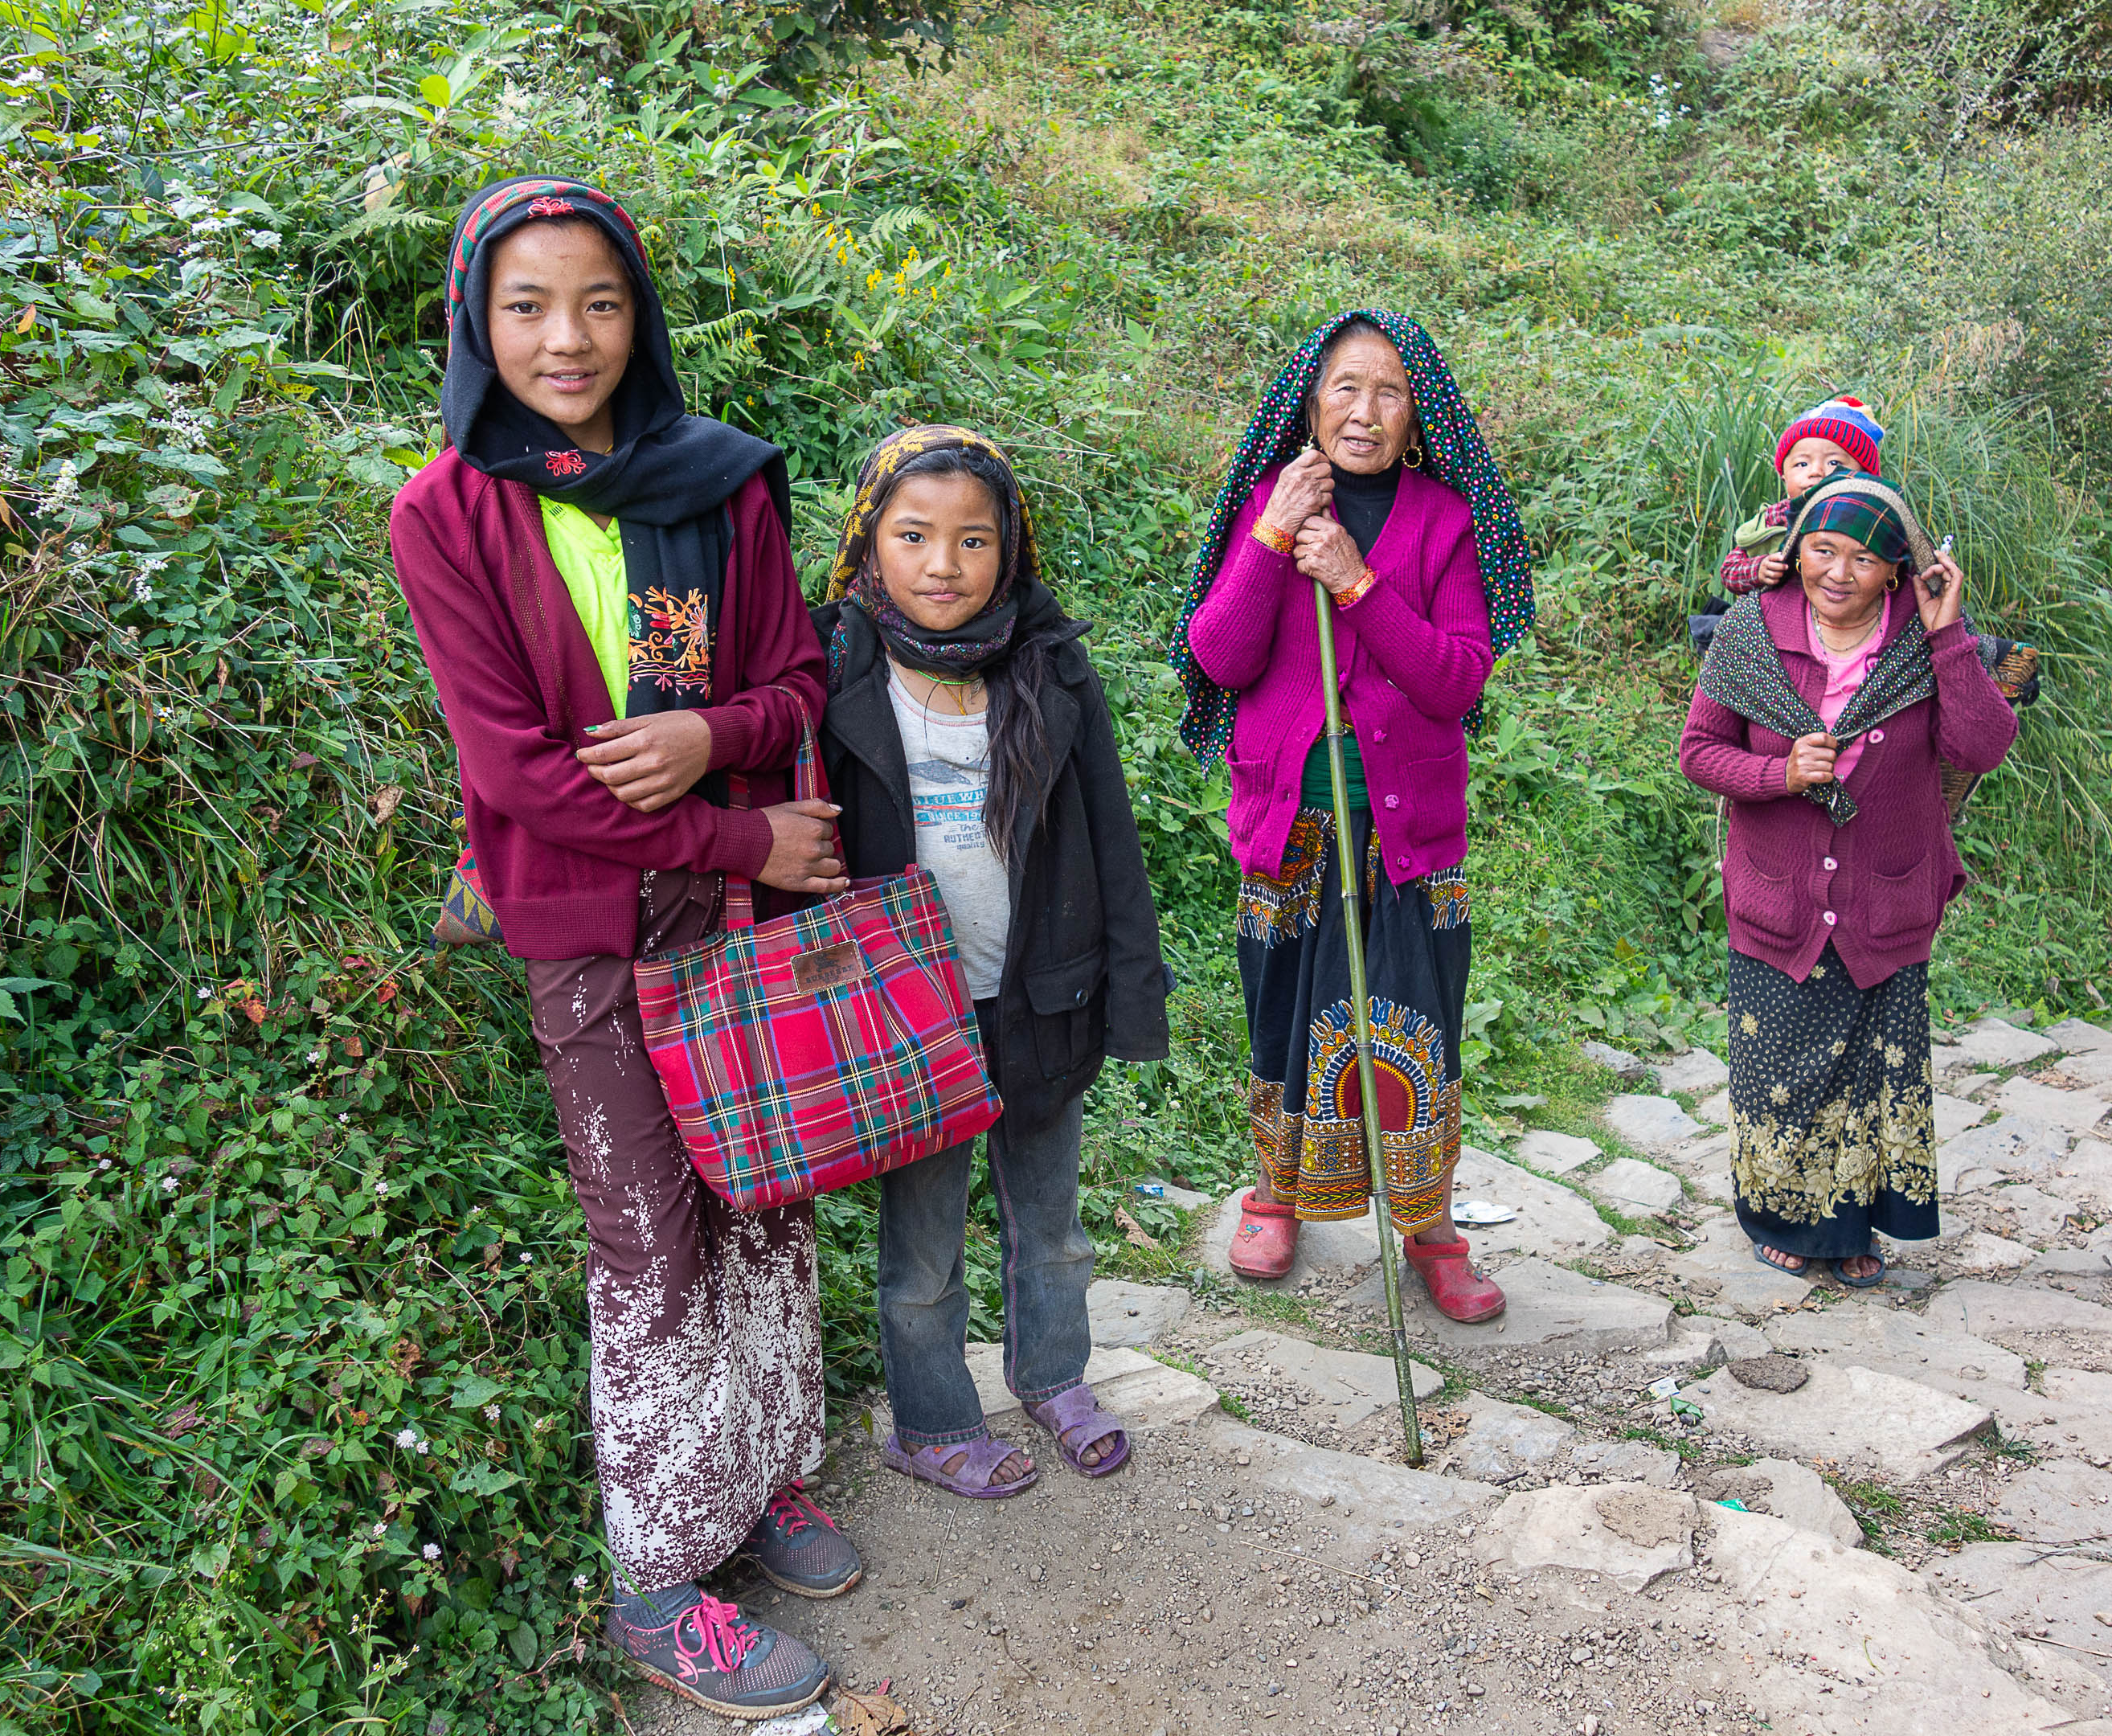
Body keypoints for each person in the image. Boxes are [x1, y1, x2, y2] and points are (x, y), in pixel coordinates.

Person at [390, 176, 858, 1719]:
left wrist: (707, 733)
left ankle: (769, 1476)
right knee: (650, 1235)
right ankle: (664, 1584)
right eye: (527, 305)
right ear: (476, 320)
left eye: (600, 301)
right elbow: (518, 774)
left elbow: (795, 676)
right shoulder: (447, 513)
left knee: (767, 1204)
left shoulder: (715, 481)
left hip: (736, 926)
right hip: (594, 929)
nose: (567, 337)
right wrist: (736, 830)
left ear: (639, 313)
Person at [810, 426, 1169, 1496]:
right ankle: (929, 1420)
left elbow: (1110, 839)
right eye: (914, 535)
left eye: (974, 540)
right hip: (907, 1015)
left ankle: (1054, 1376)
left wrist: (1126, 992)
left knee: (1051, 1228)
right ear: (869, 541)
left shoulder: (1051, 669)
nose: (943, 565)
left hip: (1040, 999)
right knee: (923, 1251)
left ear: (1011, 551)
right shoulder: (831, 668)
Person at [1173, 311, 1535, 1324]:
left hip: (1406, 833)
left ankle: (1430, 1229)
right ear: (1310, 398)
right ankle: (1279, 1195)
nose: (1364, 411)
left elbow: (1456, 680)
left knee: (1414, 1020)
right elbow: (1220, 656)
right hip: (1290, 820)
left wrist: (1358, 584)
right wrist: (1276, 533)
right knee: (1285, 1012)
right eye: (1344, 387)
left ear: (1416, 412)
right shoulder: (1268, 502)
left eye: (1387, 391)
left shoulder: (1441, 520)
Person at [1676, 469, 2016, 1288]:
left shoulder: (1920, 644)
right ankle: (1780, 1219)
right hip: (1779, 893)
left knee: (1871, 1070)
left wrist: (1948, 635)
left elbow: (1981, 746)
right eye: (1822, 551)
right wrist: (1779, 773)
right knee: (1781, 1072)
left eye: (1863, 560)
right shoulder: (1753, 632)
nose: (1837, 573)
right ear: (1794, 553)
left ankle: (1853, 1227)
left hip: (1885, 896)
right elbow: (1698, 753)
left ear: (1898, 571)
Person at [1690, 397, 1885, 656]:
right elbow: (1729, 570)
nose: (1816, 472)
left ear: (1866, 476)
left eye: (1835, 463)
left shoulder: (1875, 522)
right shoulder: (1775, 518)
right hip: (1771, 636)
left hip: (1851, 635)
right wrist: (1758, 570)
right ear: (1784, 475)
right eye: (1802, 464)